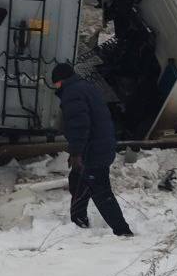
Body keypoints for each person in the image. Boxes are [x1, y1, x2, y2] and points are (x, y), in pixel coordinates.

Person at [51, 62, 133, 237]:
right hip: (100, 145)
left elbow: (79, 126)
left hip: (94, 151)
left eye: (55, 83)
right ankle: (78, 220)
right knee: (77, 180)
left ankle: (122, 231)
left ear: (60, 80)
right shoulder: (84, 87)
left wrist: (76, 153)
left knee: (100, 190)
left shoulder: (72, 93)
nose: (54, 87)